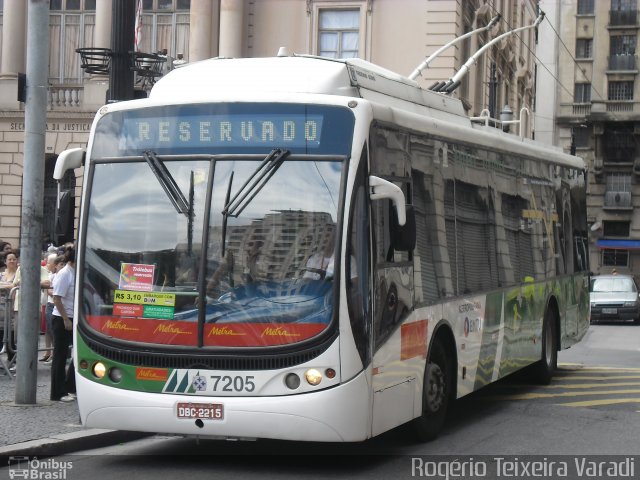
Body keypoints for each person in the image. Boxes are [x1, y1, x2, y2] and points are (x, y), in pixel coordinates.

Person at [50, 246, 76, 402]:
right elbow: (57, 298)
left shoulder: (72, 272)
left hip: (71, 317)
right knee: (60, 356)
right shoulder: (65, 274)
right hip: (62, 318)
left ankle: (69, 386)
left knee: (75, 353)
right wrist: (66, 319)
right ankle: (57, 392)